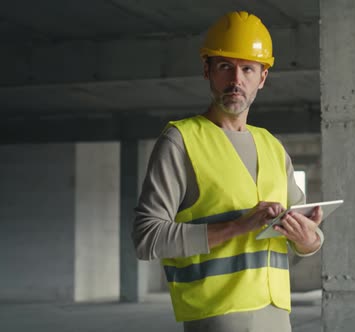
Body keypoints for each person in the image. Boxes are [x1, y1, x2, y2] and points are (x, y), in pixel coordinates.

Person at [132, 11, 324, 332]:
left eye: (248, 68)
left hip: (277, 315)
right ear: (207, 71)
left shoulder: (272, 146)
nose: (237, 79)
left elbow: (305, 237)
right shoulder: (181, 140)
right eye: (225, 67)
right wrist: (237, 226)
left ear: (262, 78)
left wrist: (308, 240)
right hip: (218, 316)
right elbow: (146, 237)